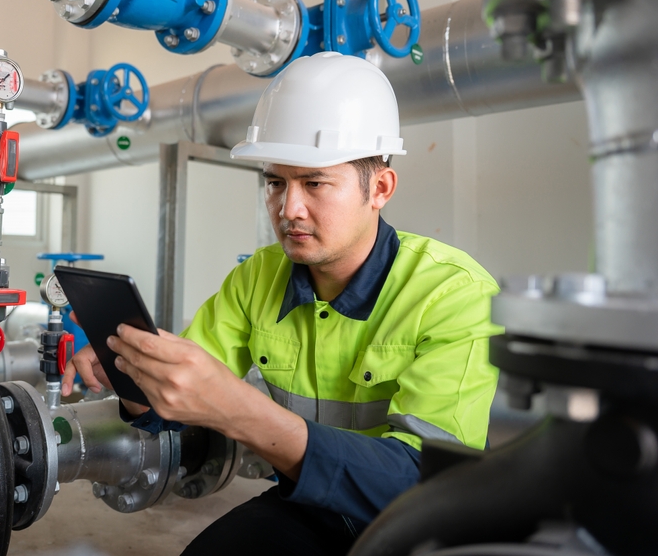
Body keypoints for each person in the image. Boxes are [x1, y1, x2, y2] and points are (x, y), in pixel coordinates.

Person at [61, 52, 502, 554]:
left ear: (379, 188)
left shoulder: (454, 293)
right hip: (313, 501)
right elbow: (173, 413)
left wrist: (238, 409)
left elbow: (421, 481)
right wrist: (134, 372)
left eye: (313, 183)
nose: (288, 209)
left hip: (422, 525)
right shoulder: (259, 276)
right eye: (275, 183)